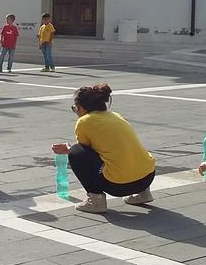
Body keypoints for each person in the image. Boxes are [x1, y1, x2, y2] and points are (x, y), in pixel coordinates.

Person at [51, 83, 156, 213]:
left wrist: (68, 149)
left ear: (82, 108)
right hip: (147, 177)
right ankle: (144, 193)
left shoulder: (84, 121)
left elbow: (84, 151)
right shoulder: (116, 116)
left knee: (75, 152)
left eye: (75, 108)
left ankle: (96, 200)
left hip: (119, 186)